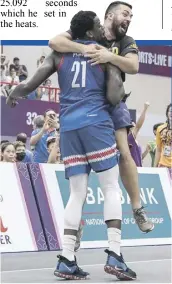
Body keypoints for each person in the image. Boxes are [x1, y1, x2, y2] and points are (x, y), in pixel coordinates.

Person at [6, 10, 136, 281]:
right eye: (98, 24)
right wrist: (117, 85)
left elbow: (31, 83)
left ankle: (67, 258)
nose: (102, 26)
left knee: (76, 194)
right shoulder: (102, 53)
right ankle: (115, 254)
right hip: (96, 123)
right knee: (111, 186)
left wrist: (13, 93)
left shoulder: (59, 54)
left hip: (69, 127)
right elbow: (114, 96)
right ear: (89, 32)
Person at [49, 1, 153, 233]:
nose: (129, 19)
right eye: (125, 14)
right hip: (84, 106)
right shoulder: (88, 30)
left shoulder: (125, 41)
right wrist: (84, 49)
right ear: (109, 15)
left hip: (114, 104)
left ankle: (137, 208)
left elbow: (133, 66)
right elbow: (54, 42)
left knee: (124, 152)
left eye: (131, 16)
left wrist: (108, 56)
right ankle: (77, 226)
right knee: (80, 174)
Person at [127, 102, 150, 167]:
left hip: (138, 167)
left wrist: (146, 151)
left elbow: (140, 158)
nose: (134, 124)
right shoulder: (129, 137)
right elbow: (138, 126)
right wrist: (145, 109)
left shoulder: (133, 140)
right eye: (132, 123)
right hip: (133, 169)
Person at [154, 104, 172, 179]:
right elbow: (158, 150)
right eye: (170, 111)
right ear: (167, 113)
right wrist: (155, 167)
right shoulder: (160, 129)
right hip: (163, 165)